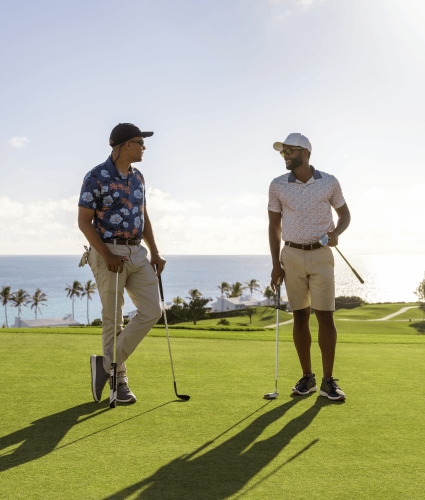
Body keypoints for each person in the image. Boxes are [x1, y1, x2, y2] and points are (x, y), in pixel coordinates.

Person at [78, 123, 165, 404]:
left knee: (152, 310)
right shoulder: (96, 176)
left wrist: (155, 251)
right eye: (140, 142)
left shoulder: (139, 177)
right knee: (113, 318)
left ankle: (106, 364)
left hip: (137, 252)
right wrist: (106, 255)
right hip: (108, 251)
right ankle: (120, 380)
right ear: (125, 145)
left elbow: (144, 216)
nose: (144, 147)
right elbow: (84, 222)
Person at [268, 133, 350, 401]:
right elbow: (274, 226)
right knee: (300, 316)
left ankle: (328, 381)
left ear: (305, 152)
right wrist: (275, 265)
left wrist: (337, 232)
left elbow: (345, 215)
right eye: (283, 152)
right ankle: (308, 378)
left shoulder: (329, 182)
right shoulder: (277, 185)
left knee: (325, 316)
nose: (285, 156)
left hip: (321, 254)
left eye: (289, 151)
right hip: (290, 255)